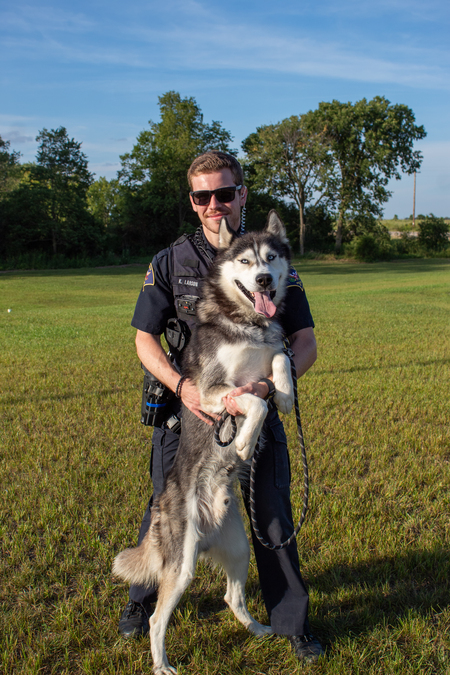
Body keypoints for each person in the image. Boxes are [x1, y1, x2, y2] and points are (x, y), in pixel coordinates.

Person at [118, 150, 324, 663]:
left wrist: (273, 386)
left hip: (257, 408)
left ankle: (291, 623)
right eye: (203, 196)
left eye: (225, 193)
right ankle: (140, 604)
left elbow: (304, 340)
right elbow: (145, 339)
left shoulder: (270, 260)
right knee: (164, 508)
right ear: (193, 202)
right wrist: (182, 387)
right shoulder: (171, 260)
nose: (215, 204)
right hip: (189, 412)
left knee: (273, 518)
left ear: (241, 195)